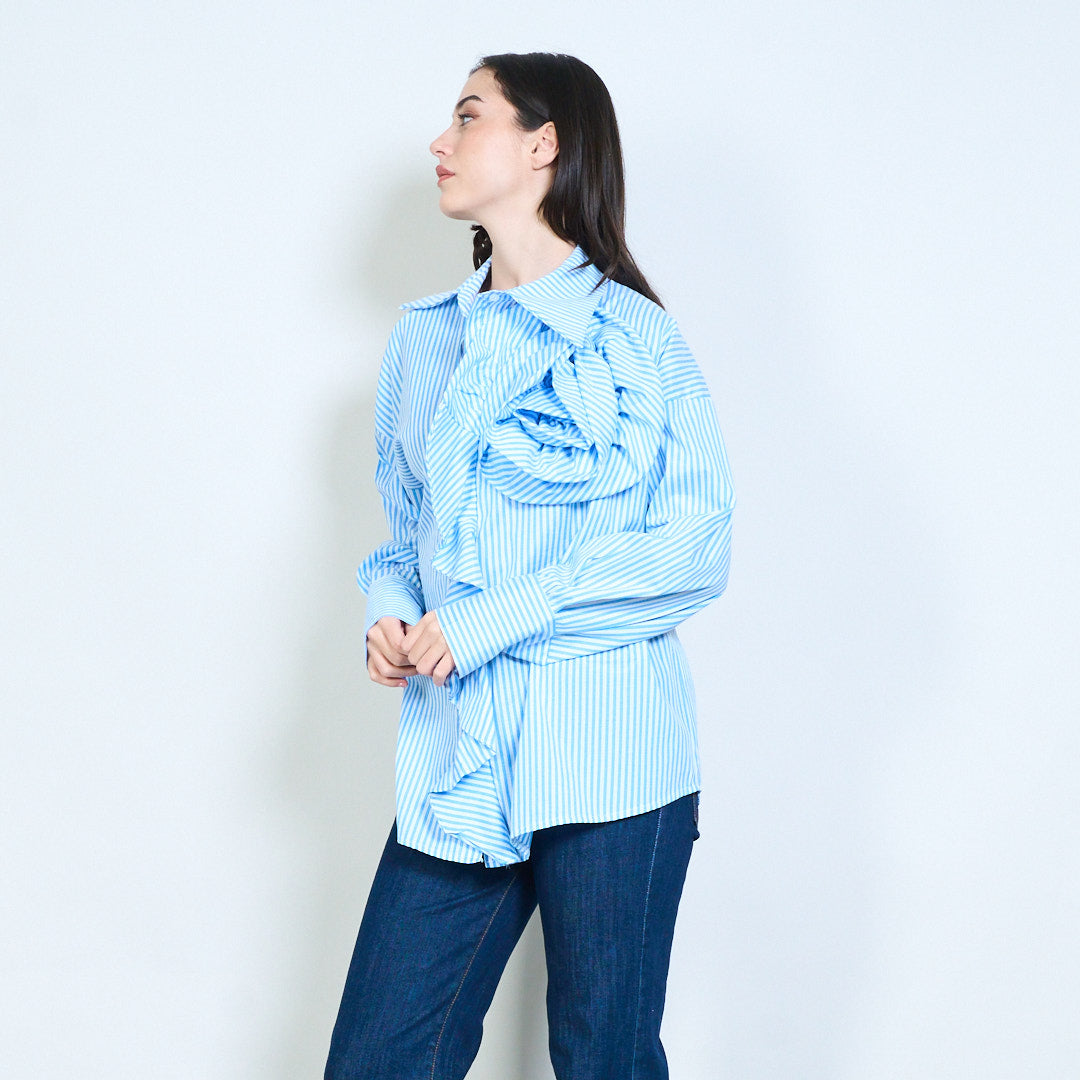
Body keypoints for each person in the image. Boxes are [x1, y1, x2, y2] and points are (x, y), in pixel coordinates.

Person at [325, 52, 735, 1080]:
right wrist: (391, 610)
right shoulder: (424, 343)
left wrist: (491, 618)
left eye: (469, 117)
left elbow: (695, 549)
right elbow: (406, 532)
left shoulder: (637, 340)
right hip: (460, 760)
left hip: (614, 761)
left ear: (544, 143)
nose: (440, 141)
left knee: (604, 1059)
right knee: (376, 1060)